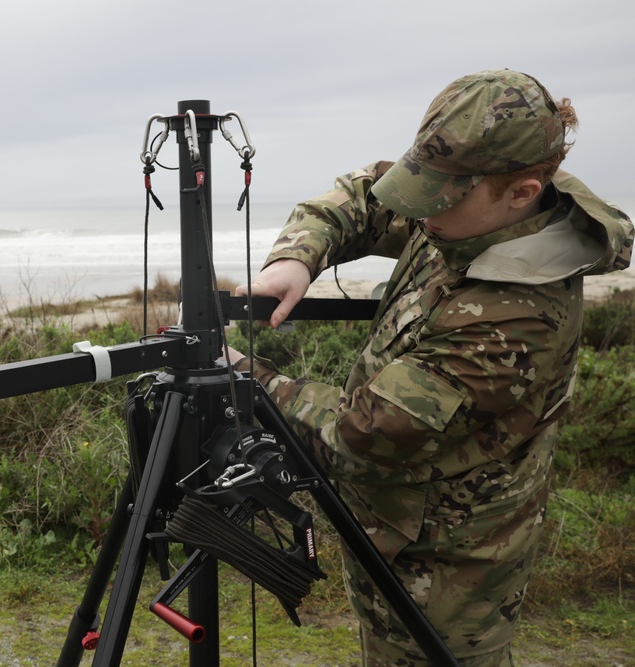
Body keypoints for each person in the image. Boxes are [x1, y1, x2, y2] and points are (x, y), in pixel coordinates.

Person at [225, 69, 634, 666]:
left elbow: (362, 434)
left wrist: (249, 377)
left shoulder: (515, 323)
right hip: (391, 529)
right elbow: (367, 194)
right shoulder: (472, 205)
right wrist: (296, 257)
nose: (420, 213)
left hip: (449, 570)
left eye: (439, 198)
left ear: (522, 192)